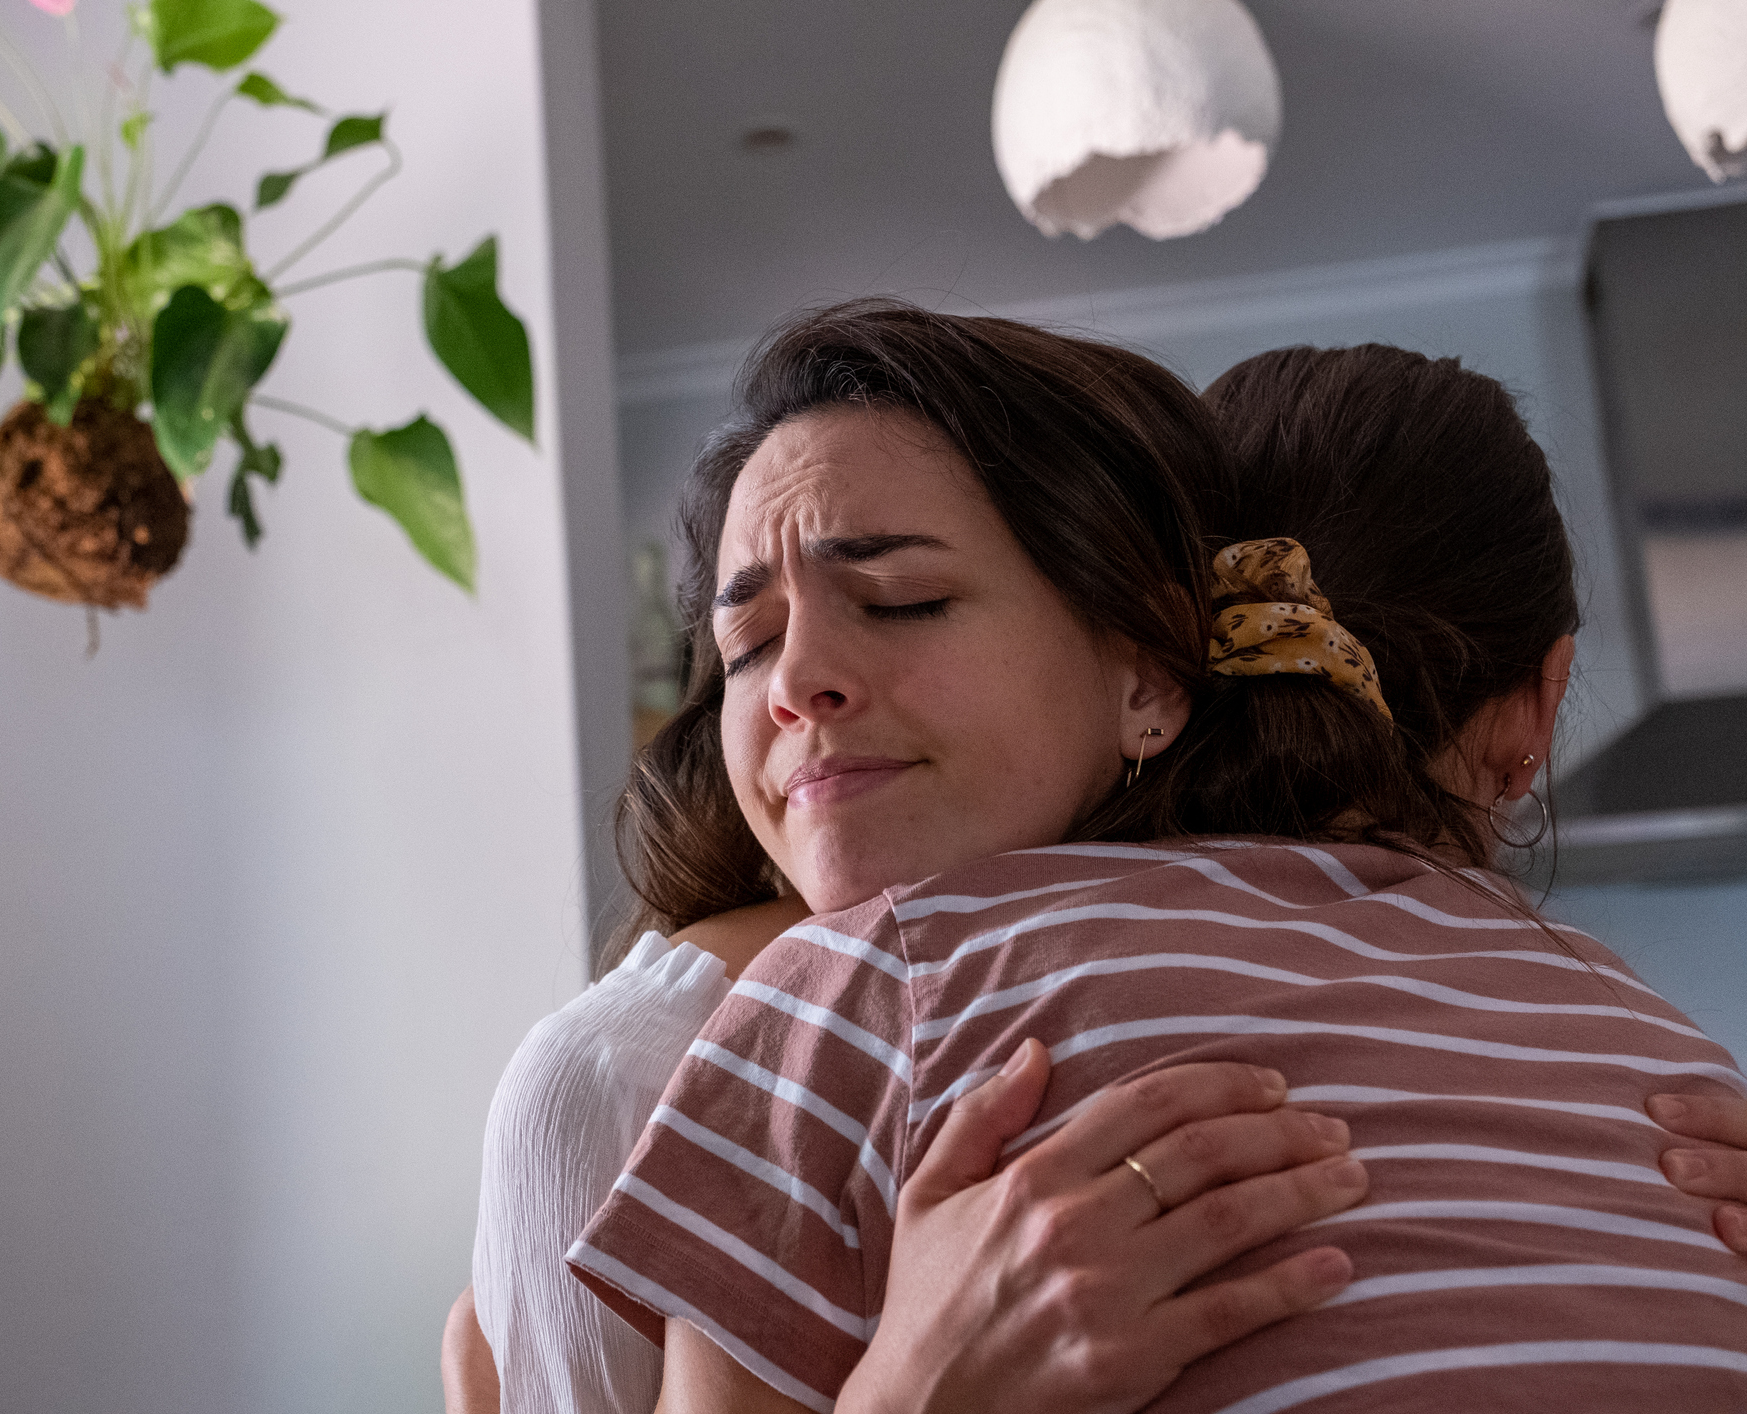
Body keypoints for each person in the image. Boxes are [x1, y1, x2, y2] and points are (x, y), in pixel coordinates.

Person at [445, 305, 1747, 1414]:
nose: (796, 682)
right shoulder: (1660, 1045)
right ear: (1537, 698)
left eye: (902, 600)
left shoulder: (859, 984)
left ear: (1155, 671)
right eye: (741, 646)